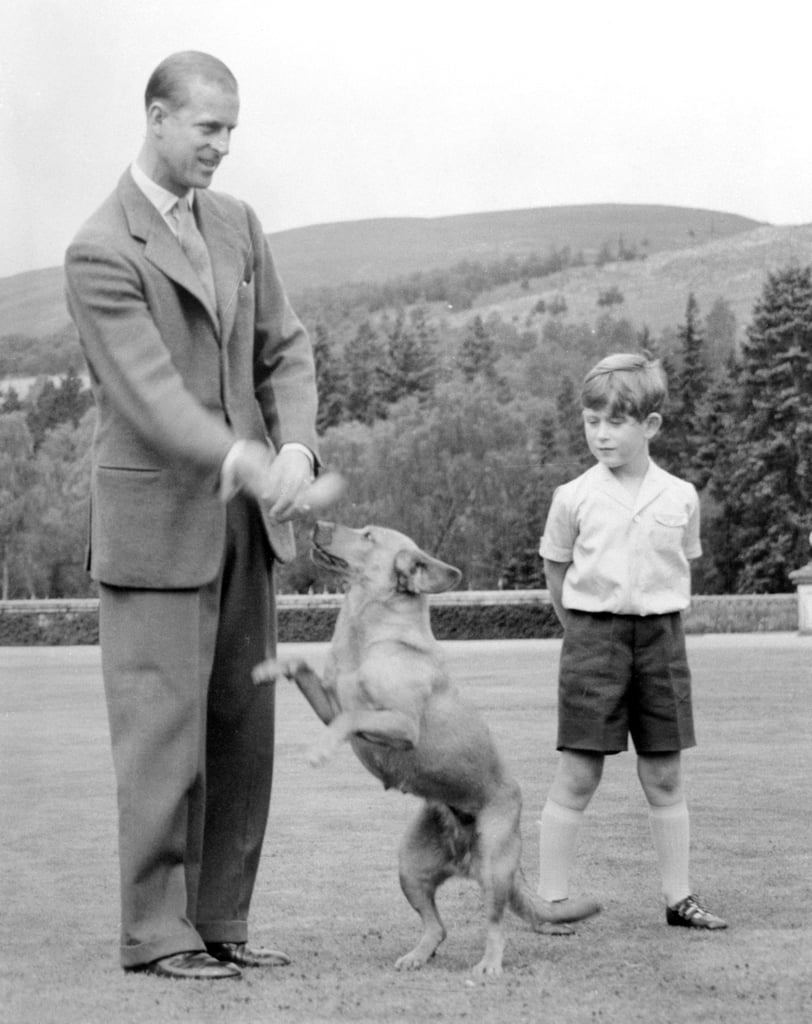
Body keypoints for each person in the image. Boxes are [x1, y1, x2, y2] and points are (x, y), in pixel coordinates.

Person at [65, 51, 321, 980]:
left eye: (232, 131)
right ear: (158, 117)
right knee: (162, 744)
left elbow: (286, 352)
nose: (221, 147)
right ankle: (157, 933)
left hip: (245, 528)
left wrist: (295, 448)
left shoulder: (239, 224)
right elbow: (151, 397)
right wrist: (244, 457)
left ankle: (220, 924)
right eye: (207, 128)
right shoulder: (99, 247)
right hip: (155, 528)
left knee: (242, 736)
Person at [536, 352, 727, 930]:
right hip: (593, 638)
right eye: (592, 420)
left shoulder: (680, 495)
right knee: (579, 772)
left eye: (615, 422)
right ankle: (550, 901)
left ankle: (679, 899)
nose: (601, 434)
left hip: (663, 640)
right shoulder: (573, 495)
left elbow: (680, 565)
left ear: (650, 425)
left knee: (664, 773)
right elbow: (555, 570)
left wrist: (650, 636)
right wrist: (586, 634)